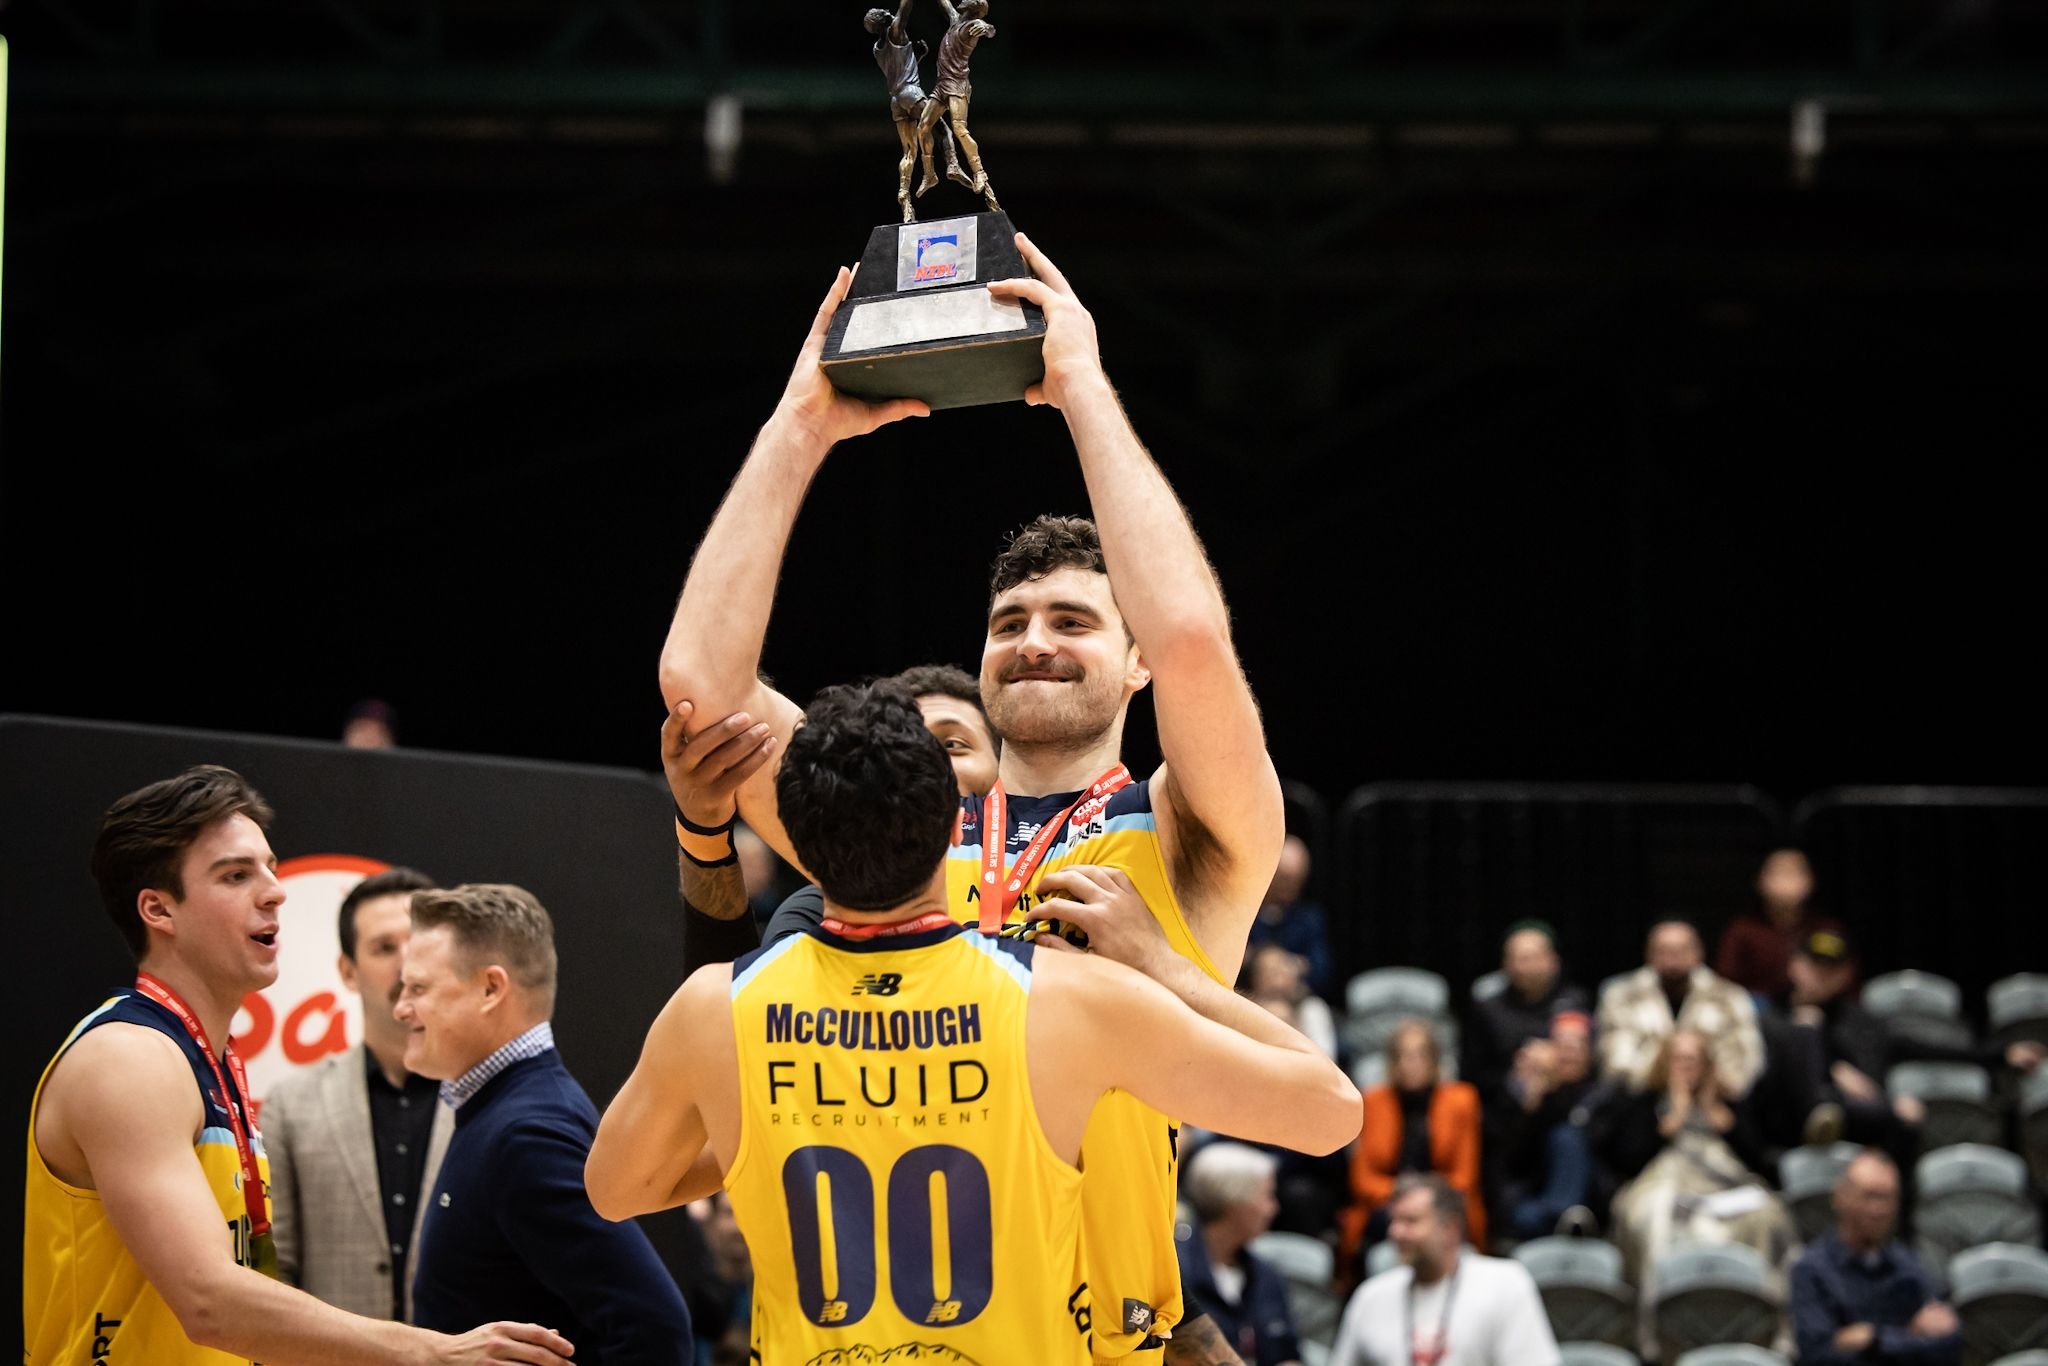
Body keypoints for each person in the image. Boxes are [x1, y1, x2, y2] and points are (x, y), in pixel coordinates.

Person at [657, 235, 1288, 1362]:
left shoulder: (1184, 831)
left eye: (1073, 620)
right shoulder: (894, 822)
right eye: (1009, 623)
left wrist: (1082, 390)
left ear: (1135, 662)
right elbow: (702, 689)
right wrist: (801, 427)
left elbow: (1193, 635)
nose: (1033, 642)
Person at [584, 681, 1359, 1364]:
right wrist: (1161, 965)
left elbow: (619, 1186)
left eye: (956, 744)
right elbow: (1328, 1109)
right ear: (938, 816)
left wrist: (787, 1128)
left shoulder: (731, 996)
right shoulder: (1061, 997)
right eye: (929, 754)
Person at [25, 764, 573, 1366]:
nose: (274, 891)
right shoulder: (127, 1058)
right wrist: (430, 1351)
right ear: (159, 910)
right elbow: (211, 1301)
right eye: (236, 875)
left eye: (270, 868)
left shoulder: (209, 1060)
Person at [397, 882, 693, 1363]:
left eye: (418, 988)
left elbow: (656, 1327)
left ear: (491, 988)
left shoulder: (526, 1135)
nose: (400, 1007)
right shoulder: (503, 1112)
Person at [263, 865, 452, 1320]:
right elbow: (274, 1273)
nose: (407, 963)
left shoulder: (494, 1099)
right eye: (385, 947)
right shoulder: (290, 1106)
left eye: (421, 942)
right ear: (348, 971)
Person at [1598, 1030, 1794, 1360]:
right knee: (1651, 1216)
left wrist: (1722, 1117)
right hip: (1664, 1183)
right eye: (1678, 1058)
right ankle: (1656, 1334)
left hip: (1723, 1185)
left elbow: (1761, 1162)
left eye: (1694, 1059)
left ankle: (1763, 1330)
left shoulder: (1730, 1103)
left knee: (1768, 1215)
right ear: (1665, 1062)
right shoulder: (1646, 1102)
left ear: (1707, 1064)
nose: (1686, 1065)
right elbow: (1628, 1160)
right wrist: (1674, 1115)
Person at [1328, 1174, 1560, 1366]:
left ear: (1450, 1228)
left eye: (1410, 1221)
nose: (1395, 1232)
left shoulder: (1504, 1285)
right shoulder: (1371, 1297)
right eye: (1394, 1221)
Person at [1788, 1150, 1960, 1365]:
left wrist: (1872, 1339)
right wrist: (1910, 1335)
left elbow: (1948, 1343)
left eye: (1889, 1198)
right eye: (1871, 1196)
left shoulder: (1910, 1265)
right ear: (1840, 1197)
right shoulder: (1811, 1269)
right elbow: (1818, 1356)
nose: (1881, 1209)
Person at [1341, 1019, 1486, 1264]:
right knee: (1378, 1226)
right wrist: (1403, 1197)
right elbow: (1362, 1180)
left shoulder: (1462, 1100)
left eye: (1419, 1056)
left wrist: (1423, 1200)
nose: (1410, 1065)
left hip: (1443, 1203)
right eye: (1402, 1056)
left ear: (1435, 1060)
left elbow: (1464, 1176)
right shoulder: (1373, 1102)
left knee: (1441, 1222)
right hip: (1386, 1205)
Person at [1598, 919, 1765, 1098]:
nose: (1672, 958)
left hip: (1714, 1101)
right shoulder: (1621, 995)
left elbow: (1747, 1062)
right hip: (1640, 1103)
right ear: (1649, 953)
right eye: (1663, 950)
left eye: (1680, 950)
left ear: (1698, 952)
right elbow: (1615, 1063)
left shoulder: (1729, 997)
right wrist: (1664, 1075)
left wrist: (1704, 1082)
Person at [1175, 1144, 1304, 1366]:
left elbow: (1287, 1353)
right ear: (1233, 1199)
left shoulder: (1267, 1275)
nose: (1273, 1209)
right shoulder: (1176, 1269)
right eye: (1268, 1195)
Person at [1492, 1011, 1601, 1241]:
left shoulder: (1602, 1093)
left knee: (1566, 1137)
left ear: (1590, 1052)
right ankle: (1557, 1218)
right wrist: (1533, 1101)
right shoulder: (1524, 1095)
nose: (1569, 1053)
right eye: (1562, 1045)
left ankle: (1561, 1214)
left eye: (1578, 1045)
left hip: (1588, 1201)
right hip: (1533, 1201)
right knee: (1522, 1215)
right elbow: (1512, 1164)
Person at [1463, 920, 1589, 1107]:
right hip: (1504, 1104)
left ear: (1553, 961)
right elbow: (1473, 1072)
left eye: (1533, 958)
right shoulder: (1488, 1008)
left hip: (1564, 1099)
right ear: (1505, 964)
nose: (1526, 967)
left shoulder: (1574, 1002)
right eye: (1518, 959)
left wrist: (1552, 1062)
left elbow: (1586, 1062)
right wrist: (1519, 1073)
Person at [1716, 847, 1833, 1001]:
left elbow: (1846, 978)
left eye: (1794, 873)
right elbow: (1725, 984)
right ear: (1760, 881)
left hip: (1819, 1007)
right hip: (1758, 1011)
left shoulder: (1826, 929)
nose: (1786, 882)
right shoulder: (1742, 931)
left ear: (1810, 881)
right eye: (1779, 873)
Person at [863, 0, 944, 221]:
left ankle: (904, 195)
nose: (888, 11)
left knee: (909, 152)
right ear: (883, 19)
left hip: (896, 100)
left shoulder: (877, 49)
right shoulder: (896, 31)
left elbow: (899, 71)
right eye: (884, 11)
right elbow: (905, 7)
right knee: (942, 128)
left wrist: (918, 58)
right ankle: (942, 169)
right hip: (911, 93)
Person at [919, 0, 1000, 210]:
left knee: (959, 128)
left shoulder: (972, 26)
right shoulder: (956, 19)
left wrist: (987, 27)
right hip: (941, 85)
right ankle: (930, 174)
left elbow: (989, 30)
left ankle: (979, 172)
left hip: (957, 85)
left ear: (973, 8)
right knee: (923, 127)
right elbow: (944, 3)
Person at [1247, 835, 1332, 999]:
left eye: (1296, 879)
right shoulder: (1244, 914)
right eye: (1283, 878)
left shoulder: (1309, 920)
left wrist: (1283, 966)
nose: (1288, 886)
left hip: (1296, 999)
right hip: (1248, 996)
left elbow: (1321, 972)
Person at [1243, 941, 1337, 1058]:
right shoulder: (1248, 1011)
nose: (1278, 978)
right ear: (1255, 980)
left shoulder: (1312, 1008)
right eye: (1269, 972)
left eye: (1281, 968)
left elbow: (1326, 1060)